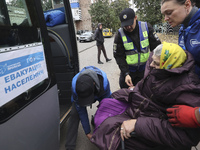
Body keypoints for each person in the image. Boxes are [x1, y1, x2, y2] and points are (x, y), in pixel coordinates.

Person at [90, 42, 200, 150]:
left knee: (112, 136)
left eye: (156, 63)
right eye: (152, 60)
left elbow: (185, 136)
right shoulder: (161, 69)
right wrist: (135, 89)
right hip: (142, 109)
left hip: (151, 124)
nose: (151, 65)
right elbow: (145, 84)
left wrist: (138, 125)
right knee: (106, 104)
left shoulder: (186, 89)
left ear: (170, 65)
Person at [161, 0, 200, 127]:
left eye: (169, 13)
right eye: (164, 14)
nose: (166, 18)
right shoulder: (184, 27)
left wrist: (196, 115)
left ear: (187, 5)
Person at [65, 66, 111, 150]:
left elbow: (108, 107)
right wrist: (87, 132)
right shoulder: (75, 87)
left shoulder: (104, 84)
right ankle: (69, 147)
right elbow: (81, 110)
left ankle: (104, 137)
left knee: (106, 112)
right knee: (74, 114)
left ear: (94, 83)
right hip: (84, 93)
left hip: (99, 91)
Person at [113, 8, 161, 89]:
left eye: (130, 24)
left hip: (145, 70)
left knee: (145, 93)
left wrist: (155, 66)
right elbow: (118, 56)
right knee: (126, 94)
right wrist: (126, 73)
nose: (128, 27)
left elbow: (157, 48)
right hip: (129, 71)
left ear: (135, 18)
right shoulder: (120, 34)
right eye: (125, 25)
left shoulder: (146, 27)